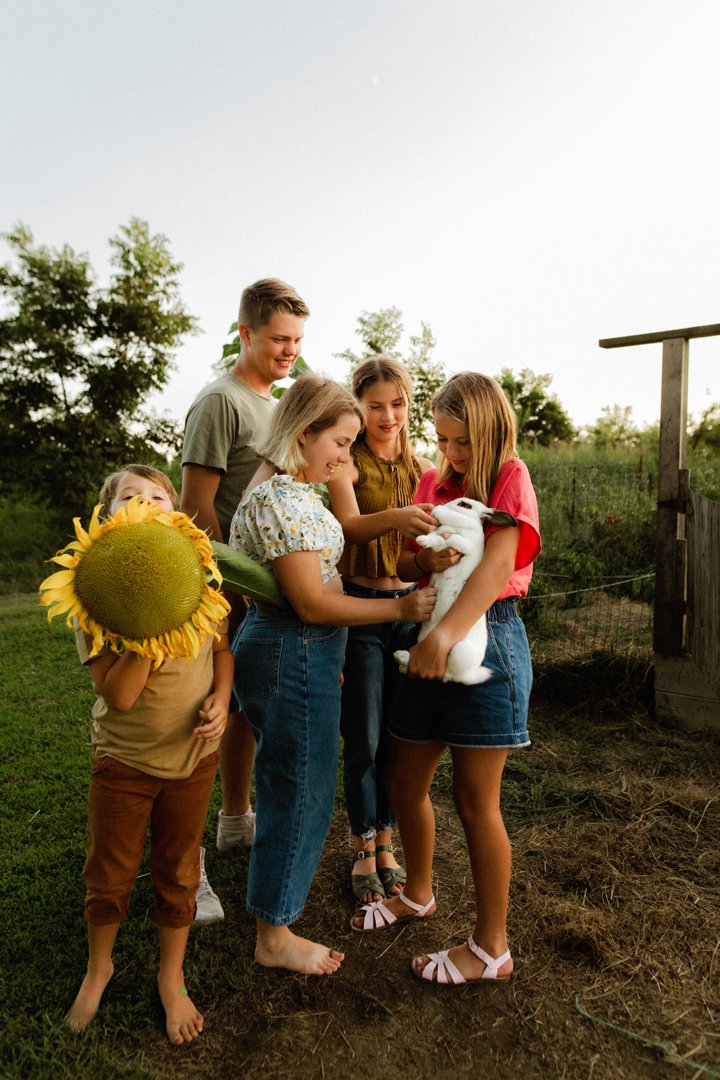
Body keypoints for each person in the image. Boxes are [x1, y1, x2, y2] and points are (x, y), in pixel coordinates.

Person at [228, 375, 436, 976]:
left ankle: (276, 917)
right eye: (340, 444)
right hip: (294, 647)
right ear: (303, 431)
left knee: (299, 782)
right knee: (299, 789)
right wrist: (398, 608)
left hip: (305, 652)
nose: (346, 458)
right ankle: (274, 933)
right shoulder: (280, 502)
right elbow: (312, 604)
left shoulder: (288, 490)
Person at [350, 372, 541, 989]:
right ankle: (420, 894)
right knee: (404, 778)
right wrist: (422, 562)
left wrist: (441, 637)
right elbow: (409, 557)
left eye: (459, 442)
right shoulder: (434, 481)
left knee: (474, 799)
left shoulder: (509, 476)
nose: (449, 454)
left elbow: (495, 568)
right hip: (430, 632)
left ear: (487, 433)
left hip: (485, 636)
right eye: (442, 440)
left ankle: (491, 948)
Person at [66, 465, 233, 1043]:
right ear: (106, 519)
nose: (144, 505)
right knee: (109, 871)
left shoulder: (199, 583)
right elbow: (119, 694)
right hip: (124, 763)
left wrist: (221, 693)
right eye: (129, 498)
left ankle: (171, 975)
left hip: (192, 759)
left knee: (179, 867)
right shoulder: (96, 598)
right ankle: (98, 967)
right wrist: (148, 630)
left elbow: (222, 648)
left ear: (176, 514)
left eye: (157, 498)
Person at [181, 279, 310, 917]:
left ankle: (236, 817)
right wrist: (231, 586)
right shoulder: (220, 402)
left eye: (297, 341)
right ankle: (187, 861)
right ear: (246, 333)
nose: (290, 351)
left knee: (240, 711)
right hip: (228, 588)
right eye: (279, 339)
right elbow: (197, 507)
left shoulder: (278, 405)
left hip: (265, 590)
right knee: (204, 712)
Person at [326, 356, 438, 905]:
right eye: (375, 405)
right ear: (360, 406)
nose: (387, 415)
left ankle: (389, 840)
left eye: (397, 404)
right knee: (364, 734)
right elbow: (348, 525)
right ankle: (363, 844)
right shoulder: (348, 460)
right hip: (364, 610)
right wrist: (399, 516)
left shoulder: (423, 467)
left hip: (412, 608)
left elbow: (429, 543)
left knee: (402, 733)